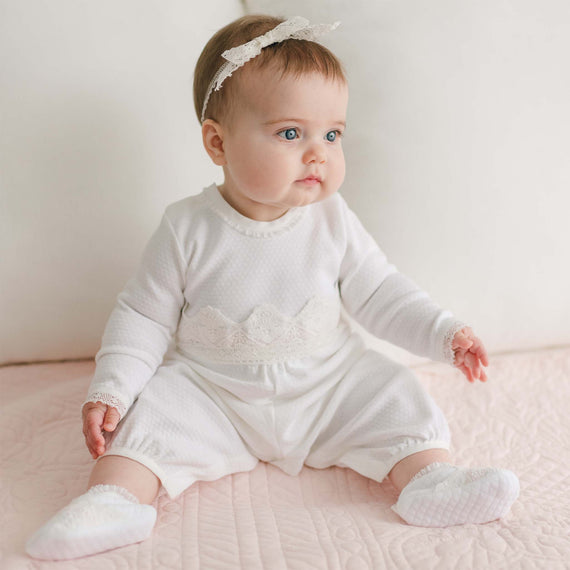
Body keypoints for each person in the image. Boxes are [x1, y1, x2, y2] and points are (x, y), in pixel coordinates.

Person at [26, 14, 519, 561]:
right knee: (153, 418)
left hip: (327, 385)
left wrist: (443, 332)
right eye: (291, 132)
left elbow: (380, 292)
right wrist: (111, 390)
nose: (319, 153)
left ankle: (431, 480)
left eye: (332, 134)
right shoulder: (186, 227)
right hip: (215, 394)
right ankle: (114, 501)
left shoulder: (333, 219)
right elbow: (143, 317)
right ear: (218, 142)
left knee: (391, 392)